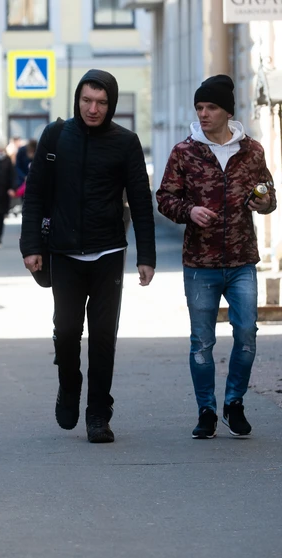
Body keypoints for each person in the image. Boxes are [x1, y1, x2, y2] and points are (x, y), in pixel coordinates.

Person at [20, 69, 156, 443]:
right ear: (77, 99)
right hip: (63, 252)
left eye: (101, 102)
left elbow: (142, 202)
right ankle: (69, 384)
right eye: (86, 100)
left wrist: (147, 255)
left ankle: (98, 413)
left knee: (102, 338)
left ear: (110, 105)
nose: (92, 108)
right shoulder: (55, 136)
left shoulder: (125, 143)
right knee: (65, 332)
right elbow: (34, 194)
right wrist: (31, 246)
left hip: (109, 251)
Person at [156, 74, 277, 439]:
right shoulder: (184, 151)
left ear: (226, 111)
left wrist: (264, 201)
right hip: (200, 264)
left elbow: (268, 194)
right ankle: (206, 409)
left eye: (210, 107)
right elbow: (164, 197)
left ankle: (234, 402)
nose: (203, 114)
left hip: (241, 261)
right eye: (199, 107)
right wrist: (189, 211)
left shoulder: (251, 151)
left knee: (246, 335)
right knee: (202, 342)